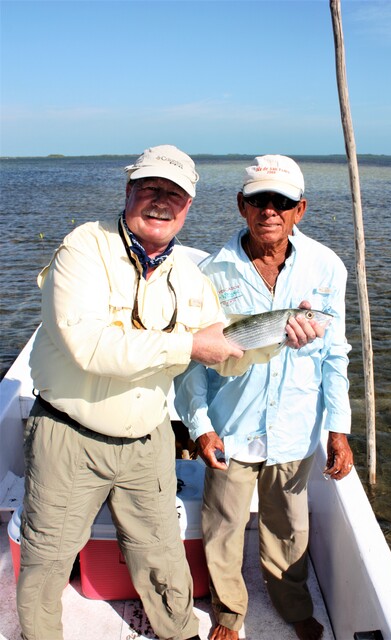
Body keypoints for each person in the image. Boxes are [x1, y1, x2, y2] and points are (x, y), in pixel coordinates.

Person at [17, 144, 253, 640]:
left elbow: (228, 356)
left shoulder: (190, 276)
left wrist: (281, 335)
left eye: (174, 194)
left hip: (148, 443)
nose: (160, 201)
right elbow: (90, 346)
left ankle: (180, 633)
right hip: (68, 436)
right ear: (128, 191)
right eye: (149, 188)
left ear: (188, 206)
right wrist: (191, 344)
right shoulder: (85, 247)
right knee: (47, 560)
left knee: (163, 557)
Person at [174, 154, 354, 640]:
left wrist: (338, 428)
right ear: (241, 205)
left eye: (282, 201)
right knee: (223, 527)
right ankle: (230, 613)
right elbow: (193, 362)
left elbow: (335, 353)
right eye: (258, 200)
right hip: (231, 427)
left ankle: (293, 605)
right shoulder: (211, 272)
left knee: (289, 529)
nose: (269, 210)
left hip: (296, 427)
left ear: (301, 209)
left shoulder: (326, 267)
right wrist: (199, 425)